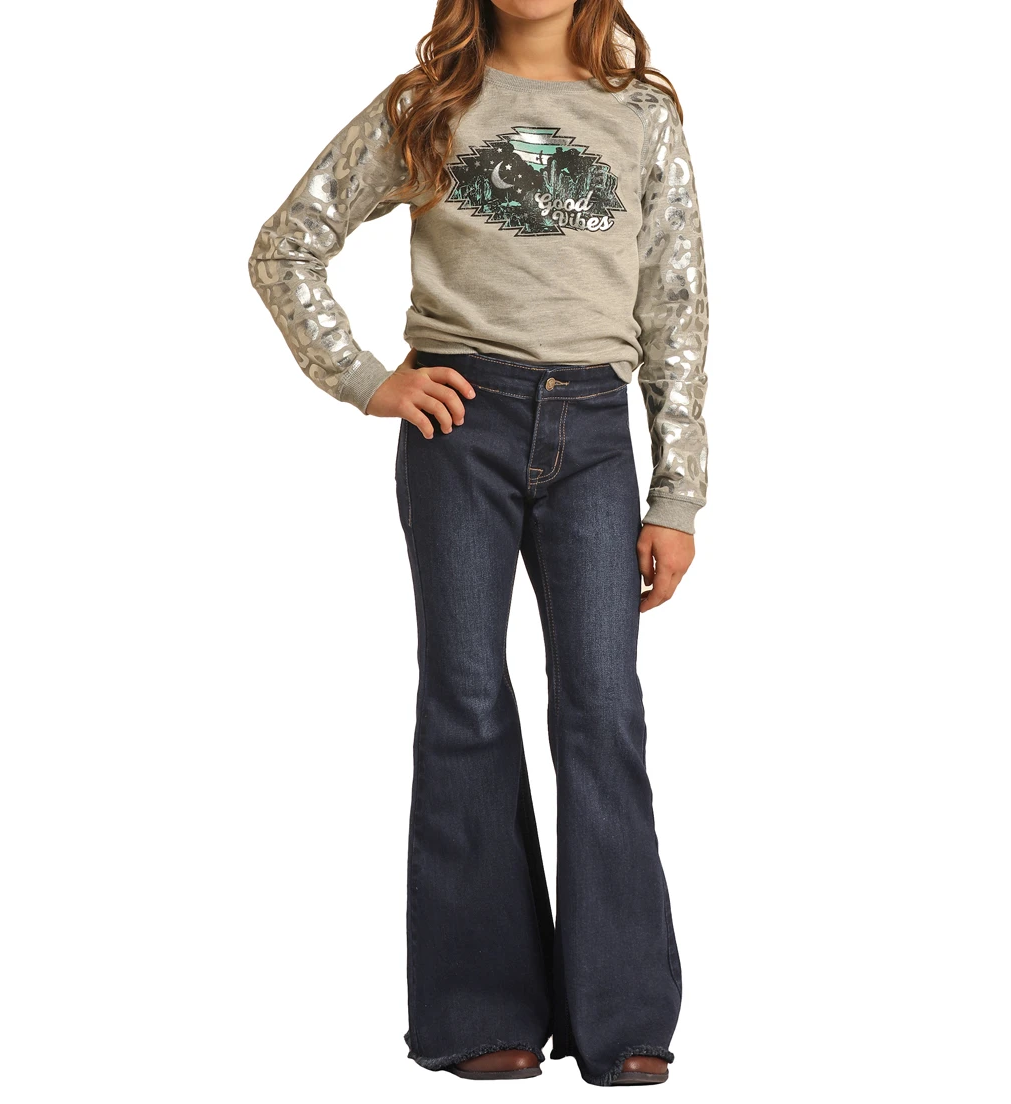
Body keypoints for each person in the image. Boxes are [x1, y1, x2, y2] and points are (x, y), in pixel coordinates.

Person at [247, 0, 707, 1088]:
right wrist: (367, 380)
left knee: (603, 706)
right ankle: (478, 1010)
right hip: (459, 425)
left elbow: (676, 308)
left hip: (595, 434)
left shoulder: (643, 117)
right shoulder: (429, 104)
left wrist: (677, 493)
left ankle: (624, 1014)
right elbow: (286, 247)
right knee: (464, 699)